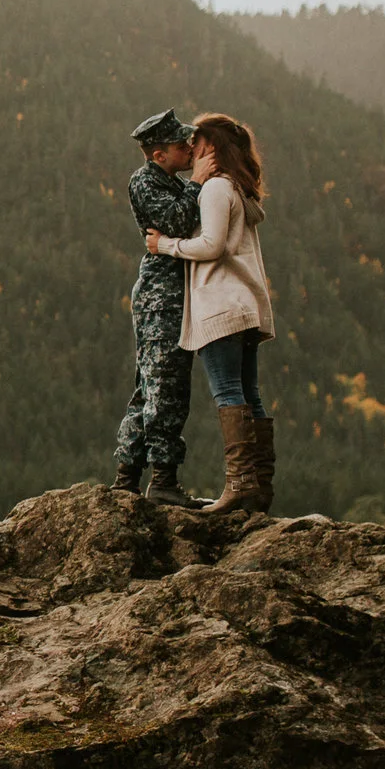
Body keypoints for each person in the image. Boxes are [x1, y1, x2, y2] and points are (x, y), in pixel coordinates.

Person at [144, 112, 275, 514]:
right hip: (246, 305)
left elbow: (212, 245)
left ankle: (238, 485)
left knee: (229, 393)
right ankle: (259, 486)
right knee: (250, 394)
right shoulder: (239, 189)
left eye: (198, 142)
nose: (191, 147)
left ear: (212, 147)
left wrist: (166, 245)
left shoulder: (216, 189)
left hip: (220, 306)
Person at [112, 110, 203, 506]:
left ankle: (126, 477)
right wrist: (199, 184)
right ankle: (162, 480)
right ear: (159, 154)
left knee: (149, 385)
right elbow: (179, 222)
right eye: (181, 146)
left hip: (167, 293)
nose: (189, 150)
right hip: (161, 295)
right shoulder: (146, 182)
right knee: (166, 384)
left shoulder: (167, 181)